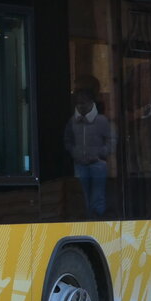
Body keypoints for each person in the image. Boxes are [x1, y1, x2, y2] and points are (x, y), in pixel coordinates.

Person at [64, 88, 114, 218]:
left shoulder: (102, 121)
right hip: (80, 164)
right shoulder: (72, 122)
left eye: (84, 103)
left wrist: (101, 153)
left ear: (91, 103)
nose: (81, 106)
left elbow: (111, 140)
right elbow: (67, 140)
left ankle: (98, 219)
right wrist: (74, 152)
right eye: (78, 103)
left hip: (98, 164)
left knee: (98, 195)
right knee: (82, 195)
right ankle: (87, 218)